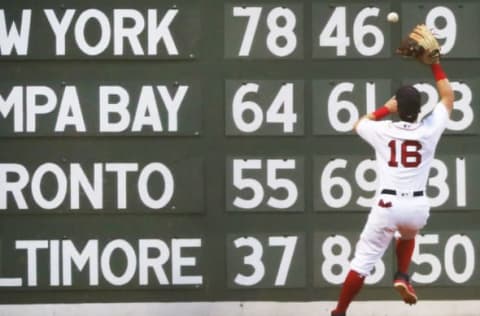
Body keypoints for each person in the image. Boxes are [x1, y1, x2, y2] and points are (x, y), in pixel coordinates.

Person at [330, 52, 454, 315]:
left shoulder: (383, 130)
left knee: (362, 262)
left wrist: (385, 109)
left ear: (399, 107)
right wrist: (435, 64)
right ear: (419, 109)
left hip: (388, 204)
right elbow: (448, 97)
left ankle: (340, 311)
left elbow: (358, 125)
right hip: (417, 206)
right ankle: (402, 274)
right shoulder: (429, 129)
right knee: (408, 233)